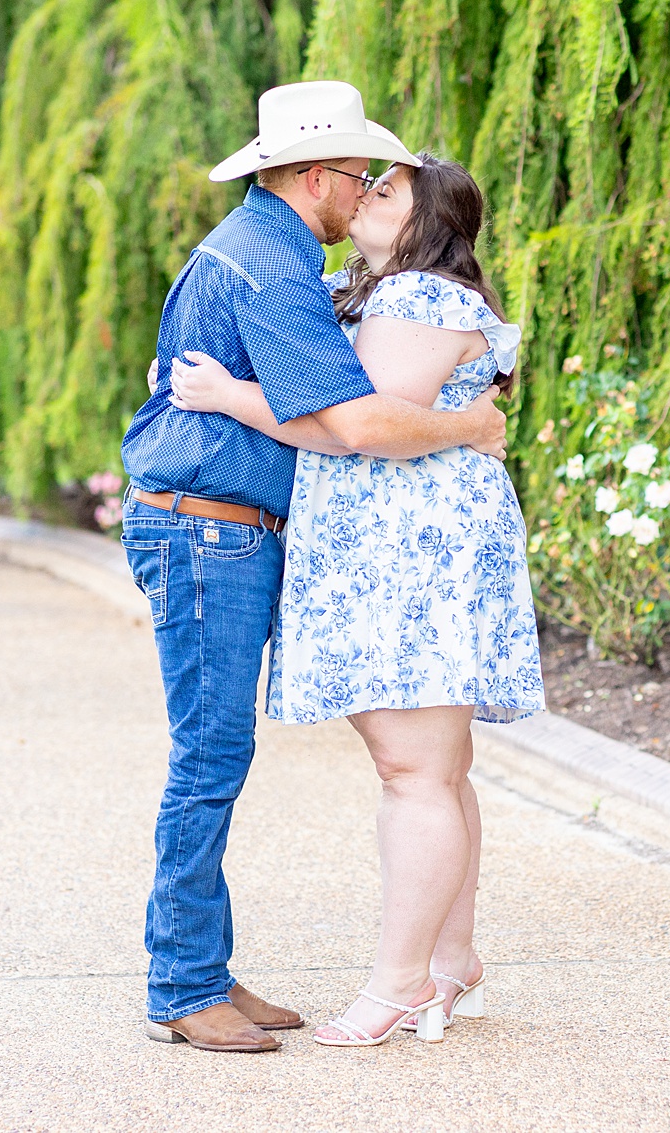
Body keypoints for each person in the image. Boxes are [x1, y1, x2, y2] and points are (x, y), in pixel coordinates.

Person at [119, 82, 507, 1055]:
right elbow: (360, 425)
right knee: (208, 758)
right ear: (315, 176)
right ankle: (183, 983)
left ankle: (203, 964)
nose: (365, 189)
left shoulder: (274, 252)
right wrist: (469, 424)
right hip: (207, 529)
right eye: (357, 177)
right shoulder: (271, 267)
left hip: (218, 525)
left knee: (218, 755)